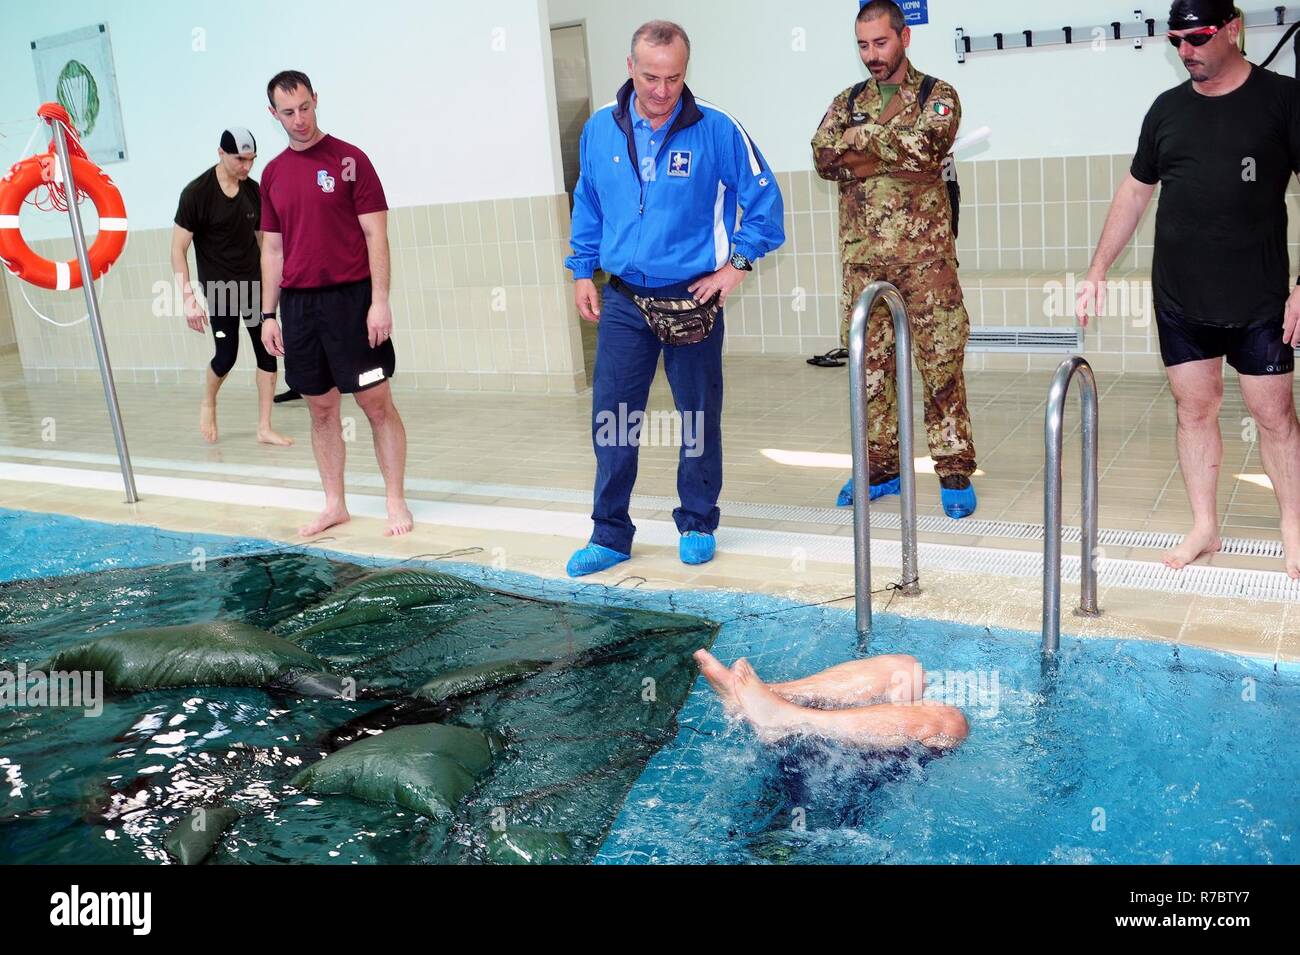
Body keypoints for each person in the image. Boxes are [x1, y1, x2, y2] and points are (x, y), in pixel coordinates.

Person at [1076, 0, 1300, 579]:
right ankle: (1204, 525)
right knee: (1193, 410)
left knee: (1273, 415)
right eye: (1176, 40)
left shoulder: (1282, 99)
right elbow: (1134, 191)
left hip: (1260, 297)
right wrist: (1099, 267)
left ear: (1232, 29)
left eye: (1197, 38)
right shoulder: (1166, 110)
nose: (1185, 52)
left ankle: (1294, 526)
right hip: (1180, 297)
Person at [563, 20, 786, 578]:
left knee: (696, 417)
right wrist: (582, 270)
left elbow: (765, 203)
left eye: (674, 77)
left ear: (686, 71)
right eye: (650, 76)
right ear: (630, 67)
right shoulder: (599, 130)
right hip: (623, 299)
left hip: (691, 299)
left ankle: (697, 521)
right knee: (613, 417)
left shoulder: (715, 128)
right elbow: (588, 202)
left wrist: (734, 268)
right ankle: (610, 533)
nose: (662, 90)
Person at [812, 0, 978, 519]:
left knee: (941, 363)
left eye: (880, 43)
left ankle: (953, 468)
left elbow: (927, 148)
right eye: (863, 45)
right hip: (864, 262)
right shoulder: (847, 99)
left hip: (926, 262)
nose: (871, 55)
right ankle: (881, 468)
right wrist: (886, 150)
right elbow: (822, 156)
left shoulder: (938, 95)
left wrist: (861, 145)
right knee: (869, 371)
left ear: (904, 37)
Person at [258, 70, 414, 538]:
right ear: (274, 115)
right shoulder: (273, 173)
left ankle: (394, 500)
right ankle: (334, 504)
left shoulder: (350, 160)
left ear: (315, 100)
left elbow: (376, 234)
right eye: (288, 112)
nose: (300, 119)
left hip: (352, 300)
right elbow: (272, 250)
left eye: (305, 107)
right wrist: (268, 314)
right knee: (320, 408)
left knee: (375, 401)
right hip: (300, 308)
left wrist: (379, 302)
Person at [171, 128, 293, 447]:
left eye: (252, 160)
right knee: (226, 354)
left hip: (254, 289)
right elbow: (177, 250)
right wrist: (188, 300)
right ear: (221, 153)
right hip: (220, 293)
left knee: (268, 351)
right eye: (240, 159)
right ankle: (208, 402)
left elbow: (265, 246)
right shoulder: (196, 194)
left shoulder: (254, 193)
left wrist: (274, 291)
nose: (246, 167)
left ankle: (264, 427)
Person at [694, 649, 968, 750]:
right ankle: (783, 715)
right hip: (817, 804)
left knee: (909, 674)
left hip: (819, 758)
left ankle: (769, 698)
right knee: (946, 719)